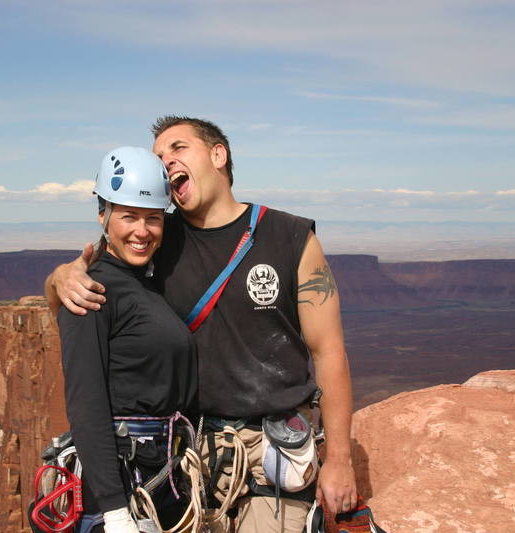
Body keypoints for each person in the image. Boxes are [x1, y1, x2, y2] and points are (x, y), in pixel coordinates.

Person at [45, 118, 357, 532]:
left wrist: (339, 459)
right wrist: (58, 278)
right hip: (184, 461)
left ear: (218, 154)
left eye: (177, 148)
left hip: (269, 454)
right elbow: (98, 277)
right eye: (158, 156)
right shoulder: (159, 234)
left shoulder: (289, 236)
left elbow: (328, 350)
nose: (165, 160)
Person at [53, 146, 198, 533]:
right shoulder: (92, 290)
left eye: (153, 218)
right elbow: (86, 404)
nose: (142, 231)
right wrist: (115, 511)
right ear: (103, 215)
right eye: (128, 216)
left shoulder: (145, 285)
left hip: (159, 476)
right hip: (119, 488)